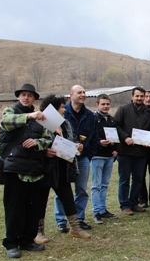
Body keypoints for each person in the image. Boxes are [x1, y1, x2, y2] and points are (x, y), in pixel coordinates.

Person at [0, 83, 53, 258]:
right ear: (18, 96)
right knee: (14, 207)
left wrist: (37, 143)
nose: (26, 98)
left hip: (35, 169)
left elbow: (48, 138)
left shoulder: (42, 118)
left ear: (34, 99)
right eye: (23, 95)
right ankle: (12, 243)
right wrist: (29, 116)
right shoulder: (10, 111)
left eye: (30, 95)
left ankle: (27, 240)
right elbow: (5, 123)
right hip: (14, 168)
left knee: (33, 207)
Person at [37, 94, 91, 240]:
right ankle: (39, 232)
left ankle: (75, 228)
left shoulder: (65, 124)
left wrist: (76, 147)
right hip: (45, 169)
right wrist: (44, 152)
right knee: (41, 200)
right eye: (62, 107)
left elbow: (70, 141)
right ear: (53, 109)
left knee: (67, 198)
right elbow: (36, 144)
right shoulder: (40, 124)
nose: (65, 109)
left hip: (62, 168)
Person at [53, 84, 99, 233]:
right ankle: (61, 221)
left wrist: (88, 153)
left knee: (81, 189)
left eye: (84, 92)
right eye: (80, 92)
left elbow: (95, 137)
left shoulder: (90, 116)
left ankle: (78, 219)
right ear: (71, 95)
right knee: (62, 190)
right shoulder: (62, 112)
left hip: (83, 158)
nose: (83, 95)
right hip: (64, 158)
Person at [113, 86, 150, 216]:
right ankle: (124, 205)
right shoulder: (123, 109)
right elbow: (115, 125)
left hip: (141, 152)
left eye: (142, 96)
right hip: (125, 151)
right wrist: (125, 137)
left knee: (138, 179)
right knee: (124, 179)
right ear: (132, 96)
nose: (139, 98)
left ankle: (134, 202)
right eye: (137, 96)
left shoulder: (149, 113)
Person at [91, 93, 119, 224]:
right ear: (97, 105)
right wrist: (98, 142)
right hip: (97, 155)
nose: (105, 106)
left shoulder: (112, 120)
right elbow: (89, 136)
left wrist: (116, 150)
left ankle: (103, 209)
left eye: (107, 104)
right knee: (96, 185)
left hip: (109, 156)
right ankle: (96, 211)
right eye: (103, 104)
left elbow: (116, 136)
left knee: (104, 185)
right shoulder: (92, 119)